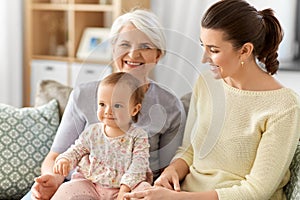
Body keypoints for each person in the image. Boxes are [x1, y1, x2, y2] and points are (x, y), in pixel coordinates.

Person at [123, 0, 300, 199]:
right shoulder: (206, 83)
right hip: (186, 192)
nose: (203, 59)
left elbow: (256, 191)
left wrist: (175, 198)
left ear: (245, 51)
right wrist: (172, 171)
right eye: (203, 46)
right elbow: (189, 149)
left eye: (214, 50)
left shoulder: (284, 106)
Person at [28, 9, 186, 200]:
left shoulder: (169, 105)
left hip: (132, 190)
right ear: (113, 49)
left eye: (145, 46)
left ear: (158, 55)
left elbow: (168, 168)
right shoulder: (83, 95)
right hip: (83, 186)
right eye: (125, 44)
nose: (133, 53)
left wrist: (131, 188)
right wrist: (54, 178)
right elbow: (58, 155)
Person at [51, 72, 151, 200]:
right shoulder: (93, 132)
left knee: (144, 192)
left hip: (126, 186)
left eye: (117, 105)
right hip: (92, 184)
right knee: (66, 190)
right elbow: (76, 150)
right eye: (102, 104)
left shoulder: (138, 136)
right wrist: (65, 160)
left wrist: (125, 190)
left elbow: (139, 165)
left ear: (134, 110)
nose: (108, 111)